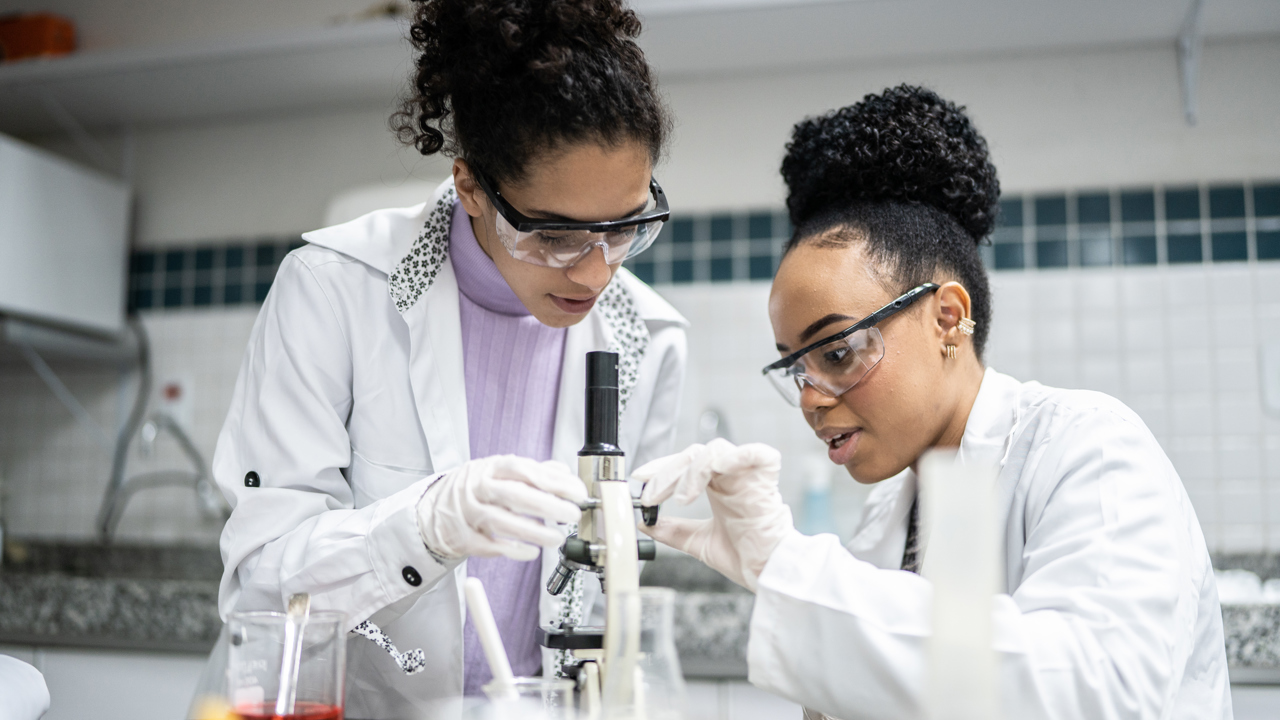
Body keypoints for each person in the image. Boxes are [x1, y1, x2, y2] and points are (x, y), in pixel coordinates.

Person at [636, 85, 1230, 720]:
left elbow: (1094, 691)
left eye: (835, 353)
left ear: (948, 319)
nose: (810, 399)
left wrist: (789, 564)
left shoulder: (1090, 448)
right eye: (794, 366)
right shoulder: (889, 517)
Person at [211, 1, 686, 716]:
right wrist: (424, 525)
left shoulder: (649, 338)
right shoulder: (333, 290)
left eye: (624, 230)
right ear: (471, 189)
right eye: (555, 236)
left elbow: (619, 601)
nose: (595, 274)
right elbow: (261, 589)